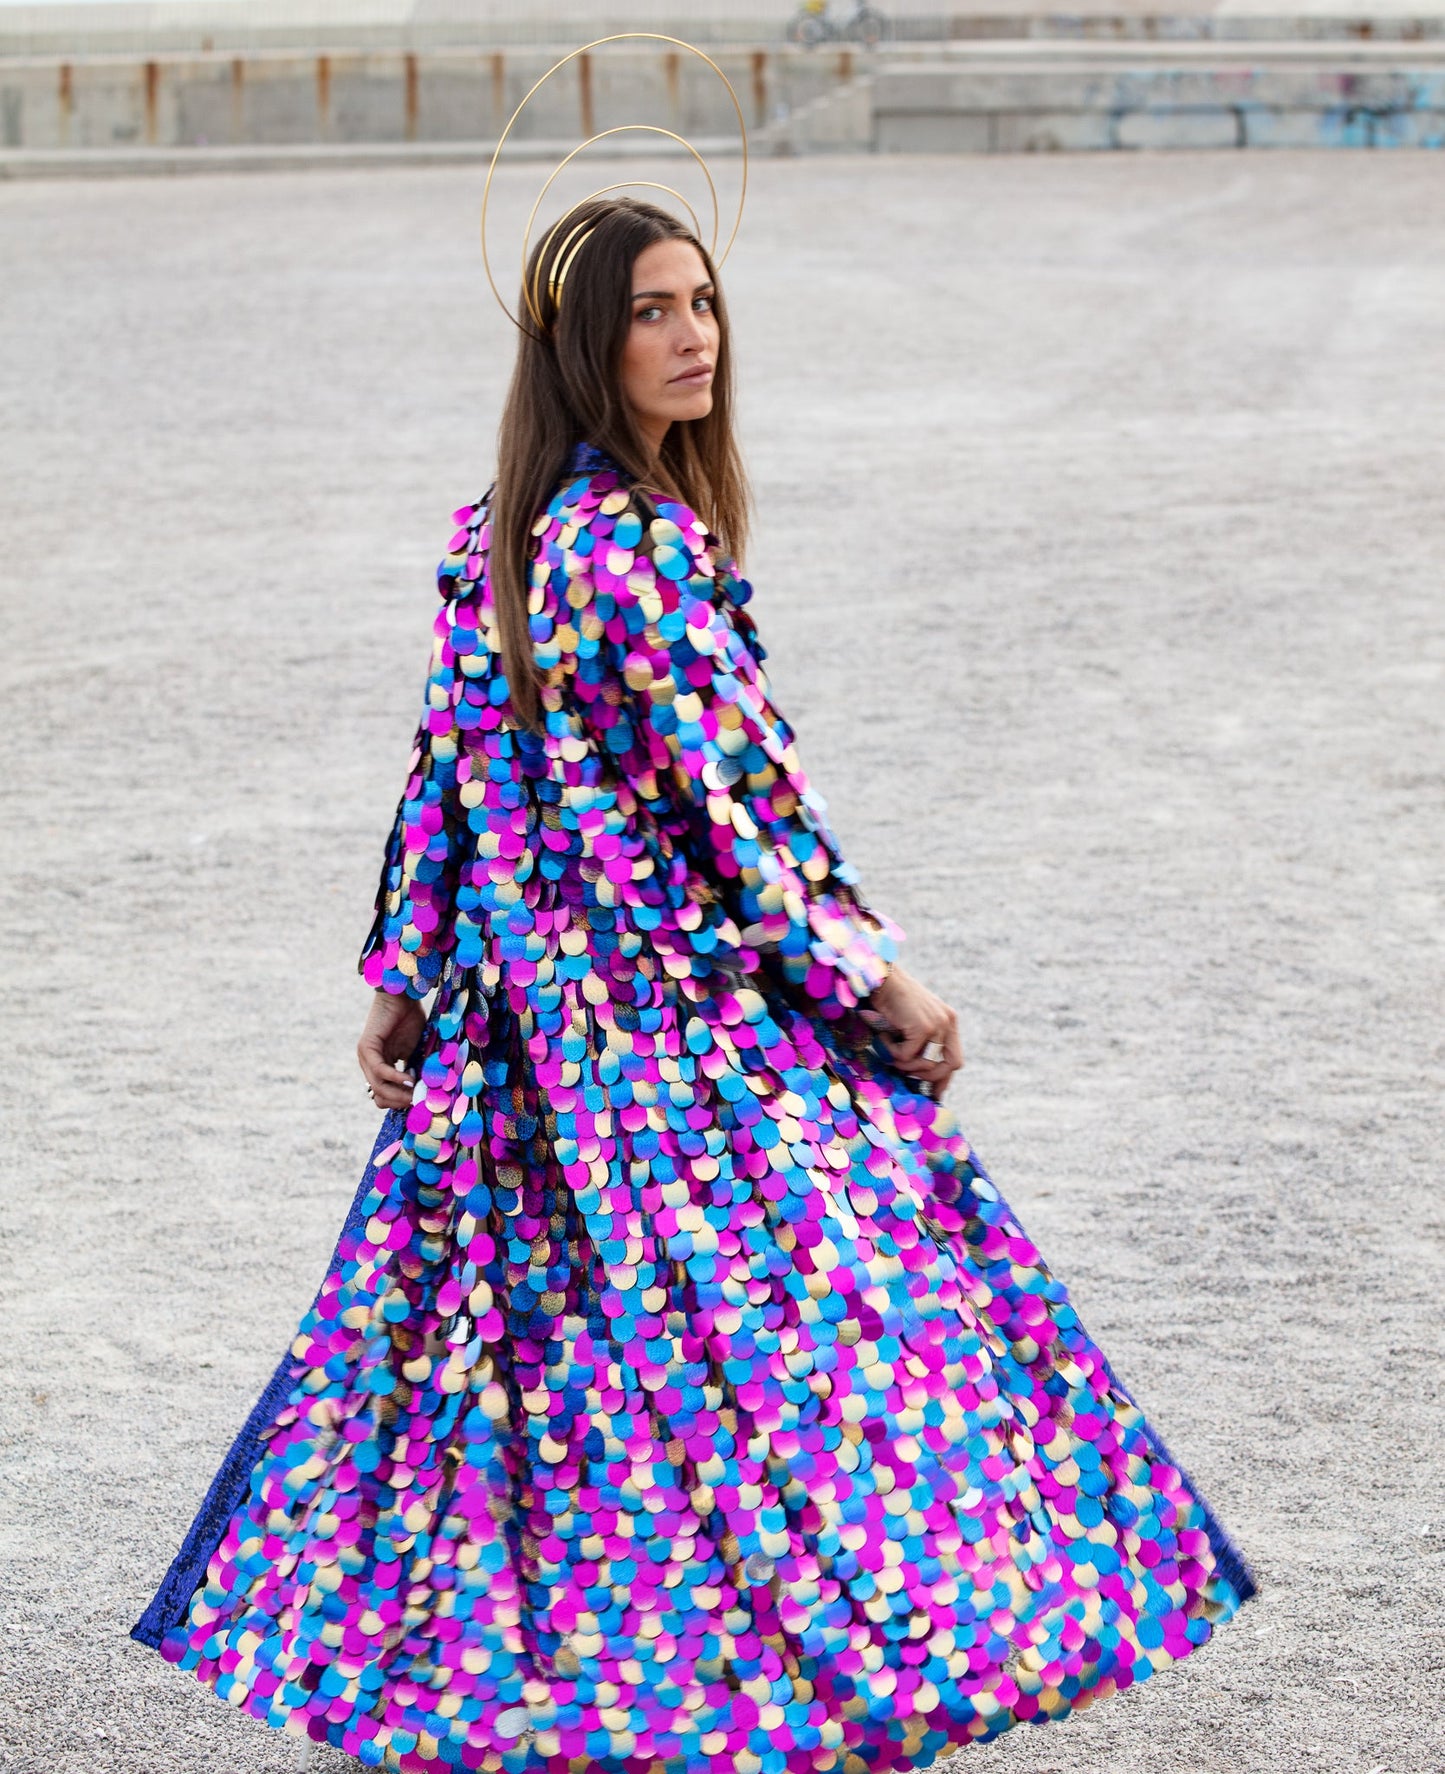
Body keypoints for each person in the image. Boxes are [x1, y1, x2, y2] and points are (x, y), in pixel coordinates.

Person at [133, 193, 1253, 1773]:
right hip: (660, 1030)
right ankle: (779, 1641)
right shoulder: (637, 545)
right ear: (585, 346)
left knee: (544, 1353)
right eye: (654, 310)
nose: (693, 335)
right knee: (812, 1320)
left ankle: (555, 1649)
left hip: (524, 1039)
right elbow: (735, 809)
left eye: (703, 302)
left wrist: (409, 970)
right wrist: (877, 979)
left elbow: (448, 772)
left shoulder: (504, 532)